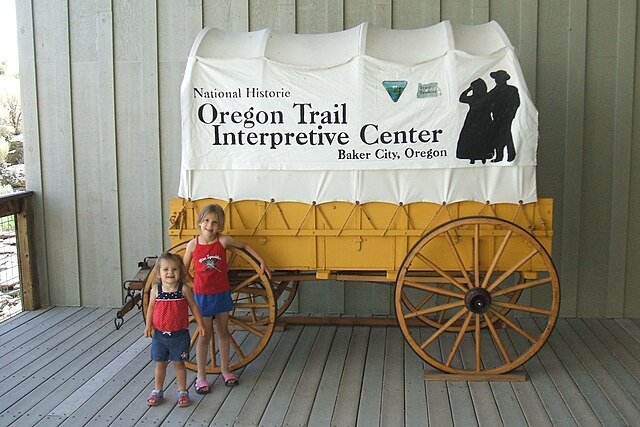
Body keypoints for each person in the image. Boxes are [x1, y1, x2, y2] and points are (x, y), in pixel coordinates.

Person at [183, 203, 271, 394]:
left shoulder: (222, 242)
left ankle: (225, 369)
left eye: (215, 222)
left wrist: (261, 261)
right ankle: (201, 376)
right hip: (203, 297)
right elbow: (183, 270)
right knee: (204, 335)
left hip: (221, 294)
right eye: (206, 221)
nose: (210, 225)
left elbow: (245, 245)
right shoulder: (193, 244)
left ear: (220, 226)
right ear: (199, 222)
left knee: (223, 332)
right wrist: (192, 285)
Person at [144, 252, 205, 407]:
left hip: (179, 335)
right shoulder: (156, 290)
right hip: (160, 335)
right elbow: (151, 307)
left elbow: (193, 306)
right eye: (166, 270)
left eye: (174, 269)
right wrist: (148, 325)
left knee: (179, 364)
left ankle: (182, 391)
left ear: (181, 272)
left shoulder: (183, 289)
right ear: (159, 273)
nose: (170, 273)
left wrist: (201, 324)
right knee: (160, 364)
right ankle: (157, 390)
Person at [456, 78, 494, 164]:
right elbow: (461, 99)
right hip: (481, 120)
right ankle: (479, 156)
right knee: (478, 138)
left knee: (475, 138)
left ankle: (476, 156)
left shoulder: (476, 98)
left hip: (475, 120)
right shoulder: (487, 96)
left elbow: (462, 98)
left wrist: (469, 89)